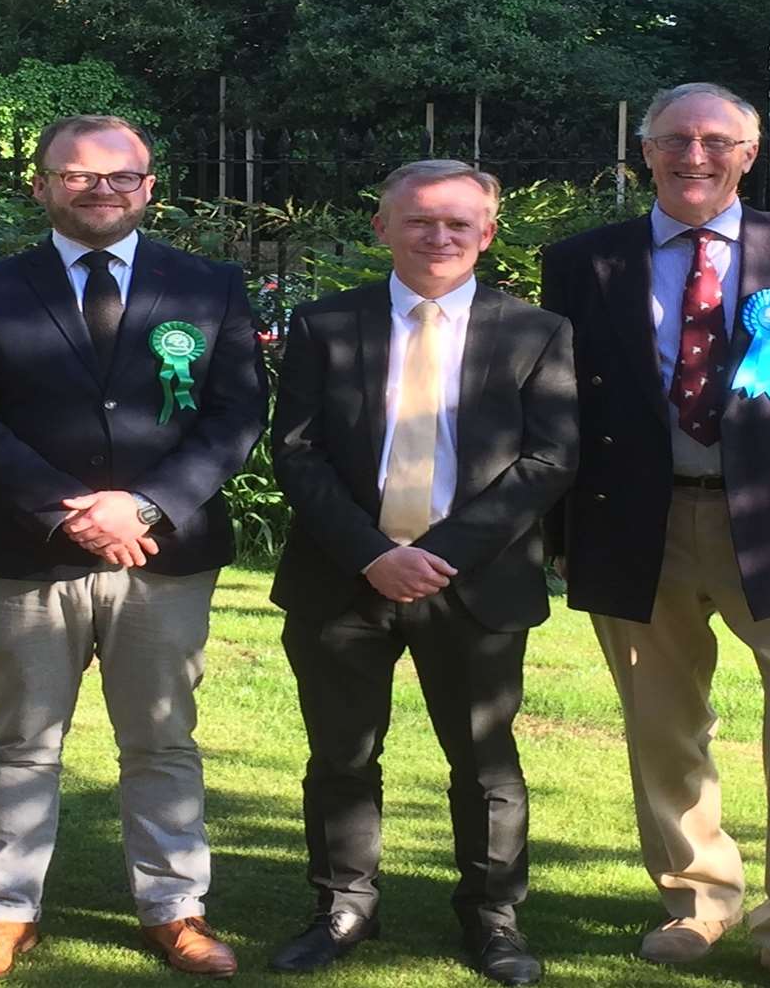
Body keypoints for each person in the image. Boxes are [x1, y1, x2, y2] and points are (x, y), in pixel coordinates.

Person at [540, 83, 770, 988]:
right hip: (636, 522)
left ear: (749, 153)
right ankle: (698, 899)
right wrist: (552, 528)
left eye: (715, 140)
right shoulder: (583, 261)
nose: (693, 155)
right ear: (645, 150)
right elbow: (553, 404)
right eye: (674, 139)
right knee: (662, 725)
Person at [0, 115, 267, 981]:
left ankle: (174, 908)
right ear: (42, 185)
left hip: (164, 554)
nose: (101, 189)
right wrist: (66, 508)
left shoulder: (211, 284)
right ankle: (2, 914)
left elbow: (236, 416)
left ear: (150, 186)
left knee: (162, 739)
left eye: (121, 176)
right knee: (22, 740)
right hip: (29, 551)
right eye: (77, 176)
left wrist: (146, 506)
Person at [266, 161, 577, 986]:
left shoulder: (536, 331)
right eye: (420, 221)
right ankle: (343, 907)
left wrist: (442, 556)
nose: (440, 237)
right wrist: (374, 555)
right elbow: (294, 451)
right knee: (342, 755)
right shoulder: (324, 324)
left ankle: (493, 921)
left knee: (485, 762)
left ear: (488, 232)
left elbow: (549, 461)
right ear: (382, 228)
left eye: (459, 223)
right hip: (343, 578)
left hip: (474, 583)